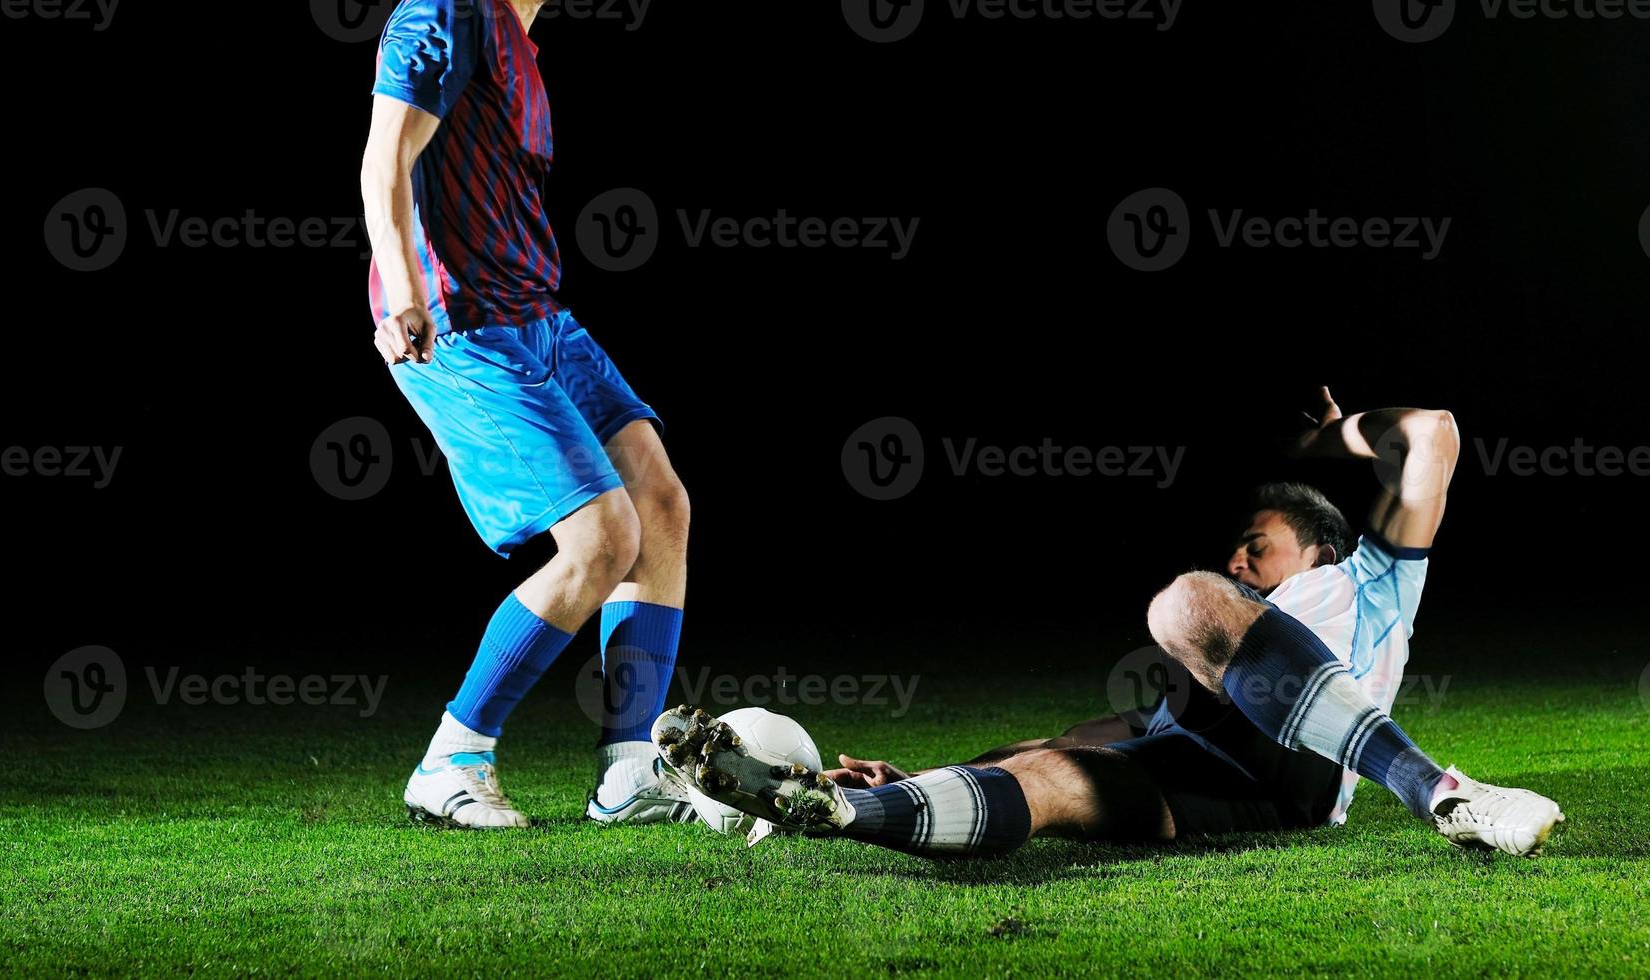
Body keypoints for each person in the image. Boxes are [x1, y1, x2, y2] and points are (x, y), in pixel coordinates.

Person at [656, 389, 1565, 857]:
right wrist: (926, 777)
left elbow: (1435, 432)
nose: (1242, 561)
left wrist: (1330, 440)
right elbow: (1066, 742)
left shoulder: (1372, 580)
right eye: (1239, 550)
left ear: (1320, 548)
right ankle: (842, 811)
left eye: (1259, 546)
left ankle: (1439, 791)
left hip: (1308, 769)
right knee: (1049, 769)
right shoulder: (1209, 666)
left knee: (1183, 602)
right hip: (1208, 768)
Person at [361, 0, 691, 828]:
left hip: (540, 317)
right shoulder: (444, 11)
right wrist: (403, 298)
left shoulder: (517, 39)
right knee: (602, 538)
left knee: (659, 505)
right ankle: (453, 757)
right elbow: (383, 162)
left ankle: (629, 774)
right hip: (459, 326)